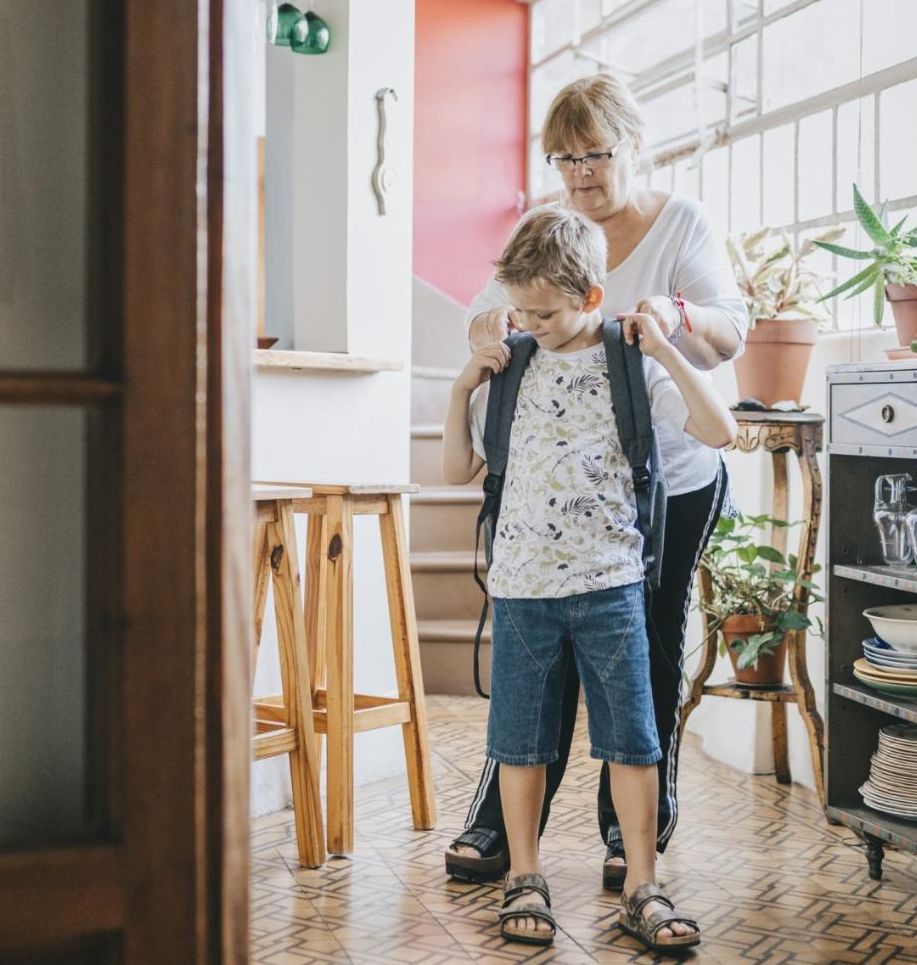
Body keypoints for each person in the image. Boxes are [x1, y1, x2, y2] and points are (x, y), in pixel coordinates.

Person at [445, 71, 747, 891]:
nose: (578, 172)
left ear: (633, 147)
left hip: (669, 480)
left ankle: (631, 838)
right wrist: (492, 330)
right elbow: (486, 309)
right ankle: (502, 826)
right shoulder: (548, 231)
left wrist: (672, 320)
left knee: (642, 644)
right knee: (536, 658)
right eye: (563, 157)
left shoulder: (680, 222)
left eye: (594, 153)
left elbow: (731, 331)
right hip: (562, 487)